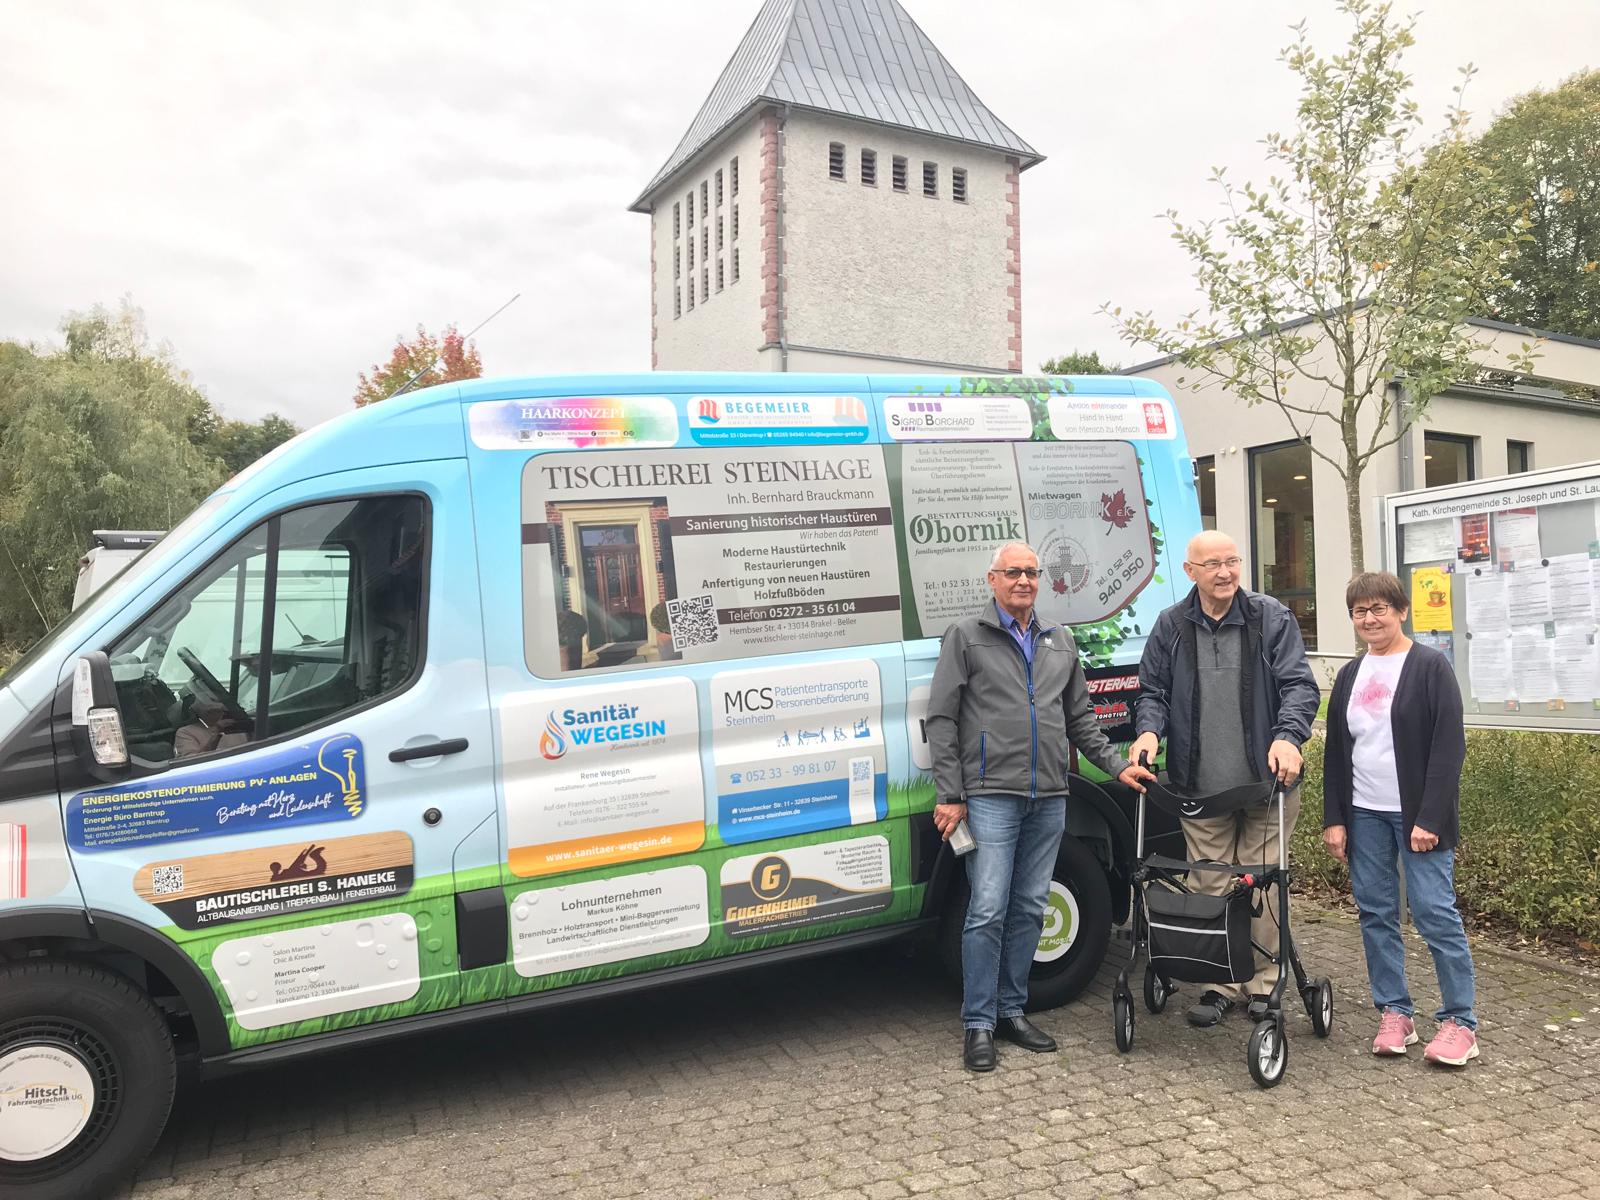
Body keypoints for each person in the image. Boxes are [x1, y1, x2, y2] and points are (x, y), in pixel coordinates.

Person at [928, 541, 1154, 1072]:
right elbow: (941, 718)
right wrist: (950, 794)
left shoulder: (1059, 639)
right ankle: (978, 1023)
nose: (1023, 581)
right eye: (1013, 572)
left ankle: (1012, 1010)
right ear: (993, 580)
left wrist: (1116, 766)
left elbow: (1080, 719)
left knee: (1031, 906)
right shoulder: (966, 636)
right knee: (987, 909)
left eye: (1031, 572)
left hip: (1049, 795)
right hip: (991, 794)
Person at [1130, 530, 1319, 1027]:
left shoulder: (1270, 617)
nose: (1225, 572)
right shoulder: (1171, 624)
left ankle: (1263, 983)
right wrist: (1148, 732)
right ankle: (1219, 982)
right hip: (1200, 787)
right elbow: (1152, 691)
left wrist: (1288, 737)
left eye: (1232, 561)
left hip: (1266, 784)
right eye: (1212, 564)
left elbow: (1299, 686)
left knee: (1261, 885)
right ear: (1190, 571)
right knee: (1209, 884)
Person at [1322, 571, 1477, 1065]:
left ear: (1401, 611)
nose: (1369, 619)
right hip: (1364, 813)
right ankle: (1395, 1012)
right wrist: (1334, 819)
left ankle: (1460, 1021)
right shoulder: (1350, 674)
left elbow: (1449, 748)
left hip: (1418, 817)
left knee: (1434, 913)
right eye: (1359, 611)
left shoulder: (1430, 667)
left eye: (1379, 609)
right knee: (1375, 912)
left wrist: (1429, 817)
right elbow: (1336, 753)